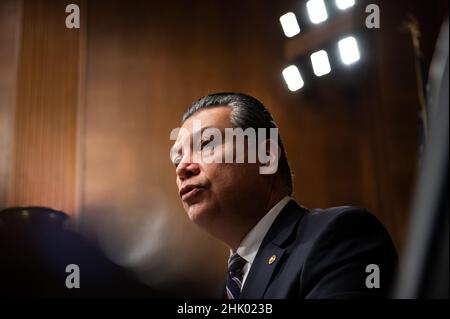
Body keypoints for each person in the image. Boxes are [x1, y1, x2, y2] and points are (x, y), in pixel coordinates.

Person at [170, 92, 397, 299]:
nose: (182, 168)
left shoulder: (344, 235)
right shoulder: (222, 291)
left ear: (266, 156)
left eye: (206, 144)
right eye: (178, 158)